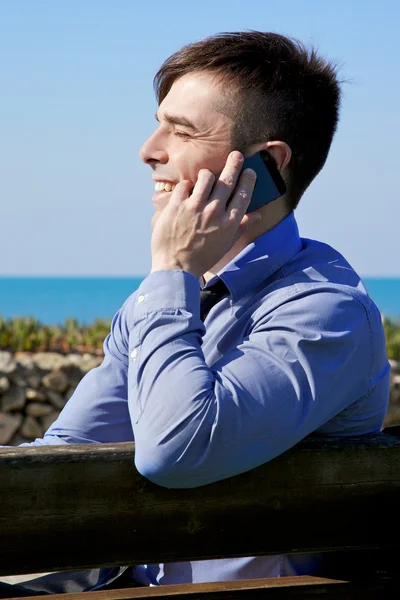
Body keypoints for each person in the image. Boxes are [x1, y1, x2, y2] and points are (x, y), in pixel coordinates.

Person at [0, 31, 390, 594]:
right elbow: (70, 451)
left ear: (266, 165)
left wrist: (175, 269)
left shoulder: (328, 313)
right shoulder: (162, 299)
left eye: (181, 130)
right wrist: (174, 281)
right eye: (160, 122)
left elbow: (175, 451)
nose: (149, 149)